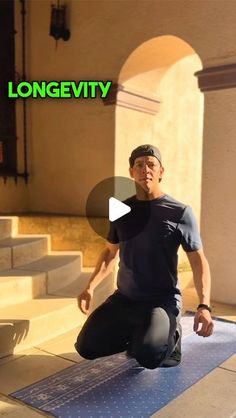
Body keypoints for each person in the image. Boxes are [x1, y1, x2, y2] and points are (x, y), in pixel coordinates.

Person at [75, 144, 214, 369]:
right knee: (86, 347)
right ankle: (140, 335)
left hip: (161, 301)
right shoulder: (120, 210)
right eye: (139, 165)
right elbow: (110, 253)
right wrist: (90, 287)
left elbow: (198, 261)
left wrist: (204, 306)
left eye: (151, 164)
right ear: (131, 172)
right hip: (125, 299)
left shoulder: (180, 212)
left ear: (161, 172)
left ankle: (171, 335)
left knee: (149, 357)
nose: (145, 169)